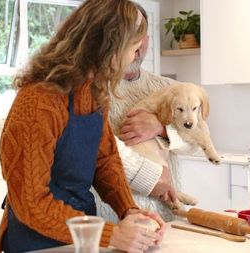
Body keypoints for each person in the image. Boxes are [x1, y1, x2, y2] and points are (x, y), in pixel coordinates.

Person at [0, 1, 166, 252]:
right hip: (35, 240)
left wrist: (129, 211)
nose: (135, 54)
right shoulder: (38, 101)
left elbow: (105, 160)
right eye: (133, 46)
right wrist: (112, 234)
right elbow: (31, 204)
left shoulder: (93, 91)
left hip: (82, 234)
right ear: (109, 48)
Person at [95, 4, 180, 223]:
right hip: (112, 214)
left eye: (143, 36)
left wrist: (162, 128)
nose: (139, 46)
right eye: (132, 36)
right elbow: (99, 148)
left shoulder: (168, 87)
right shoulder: (92, 89)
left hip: (164, 211)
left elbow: (202, 143)